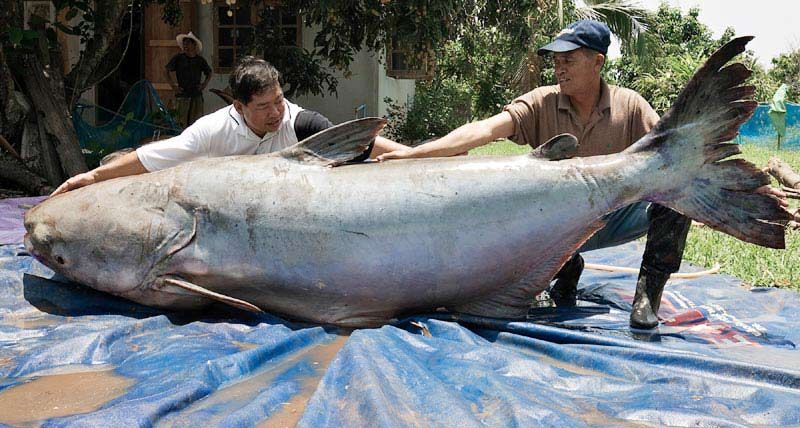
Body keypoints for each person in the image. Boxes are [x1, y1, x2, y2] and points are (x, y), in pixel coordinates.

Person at [377, 20, 785, 329]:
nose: (559, 68)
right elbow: (482, 130)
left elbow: (675, 159)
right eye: (555, 61)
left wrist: (734, 192)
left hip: (616, 216)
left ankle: (648, 294)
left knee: (672, 187)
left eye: (569, 60)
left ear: (597, 62)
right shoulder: (541, 103)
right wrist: (415, 153)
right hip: (552, 225)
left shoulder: (631, 106)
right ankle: (562, 272)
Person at [52, 56, 409, 196]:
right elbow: (150, 158)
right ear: (238, 106)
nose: (276, 113)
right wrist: (94, 178)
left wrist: (416, 155)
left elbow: (359, 142)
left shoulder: (300, 122)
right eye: (264, 106)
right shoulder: (210, 132)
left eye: (279, 101)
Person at [167, 32, 213, 127]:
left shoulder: (200, 60)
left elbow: (209, 73)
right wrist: (173, 86)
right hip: (183, 95)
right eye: (184, 44)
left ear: (193, 45)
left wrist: (203, 85)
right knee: (181, 122)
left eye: (188, 43)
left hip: (196, 94)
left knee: (196, 123)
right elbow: (166, 71)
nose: (185, 46)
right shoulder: (179, 58)